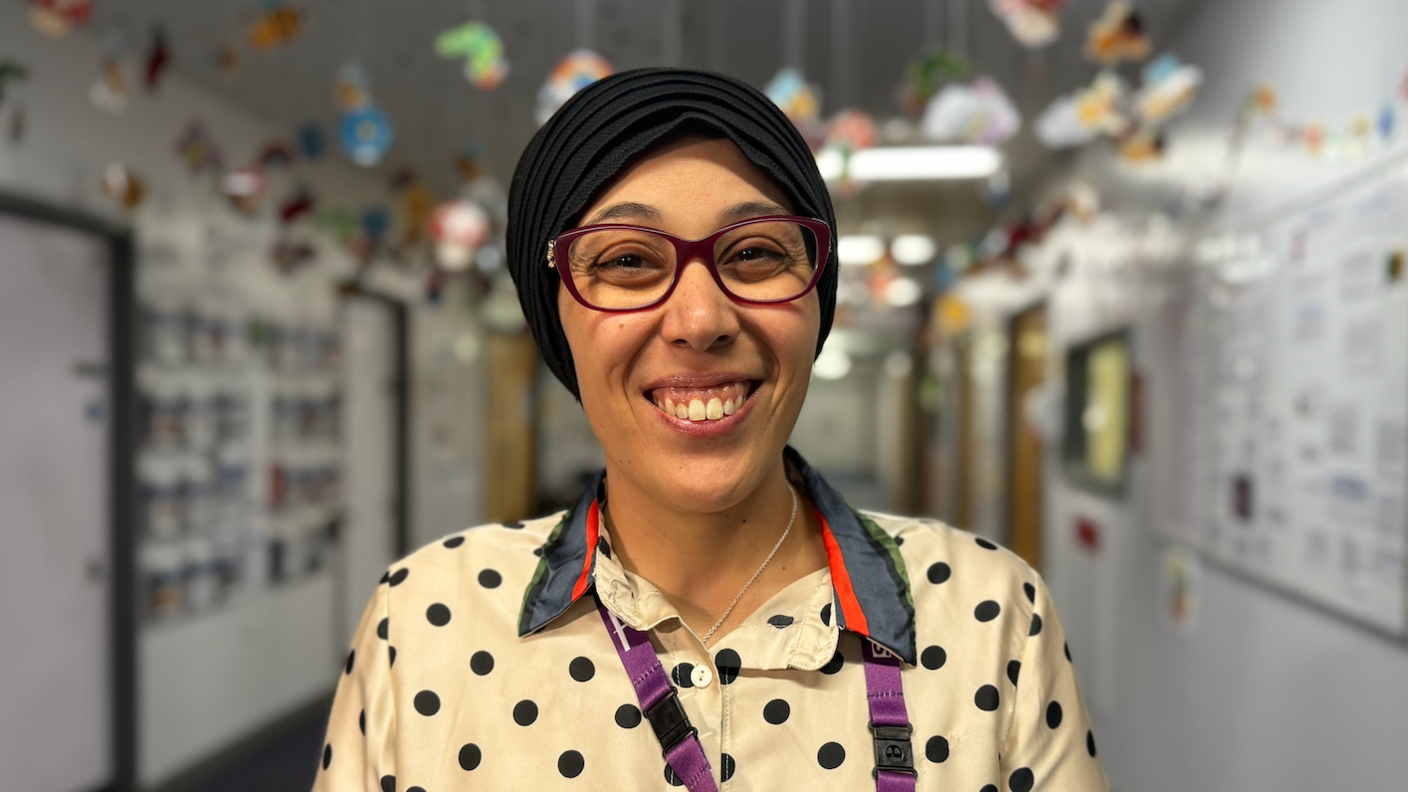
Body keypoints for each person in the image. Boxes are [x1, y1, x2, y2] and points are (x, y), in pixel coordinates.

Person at [314, 68, 1108, 792]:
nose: (700, 319)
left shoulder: (988, 611)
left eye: (756, 252)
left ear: (817, 297)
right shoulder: (424, 621)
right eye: (626, 261)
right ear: (551, 314)